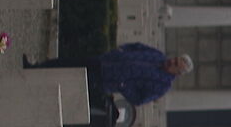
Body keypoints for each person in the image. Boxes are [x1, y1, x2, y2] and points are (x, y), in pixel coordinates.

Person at [29, 43, 194, 107]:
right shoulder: (158, 55)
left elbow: (139, 99)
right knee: (68, 63)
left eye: (174, 64)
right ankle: (36, 68)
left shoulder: (162, 86)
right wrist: (121, 50)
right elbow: (137, 46)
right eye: (174, 59)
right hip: (106, 61)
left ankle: (37, 86)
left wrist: (123, 86)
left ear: (177, 73)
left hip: (106, 81)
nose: (171, 62)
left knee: (69, 81)